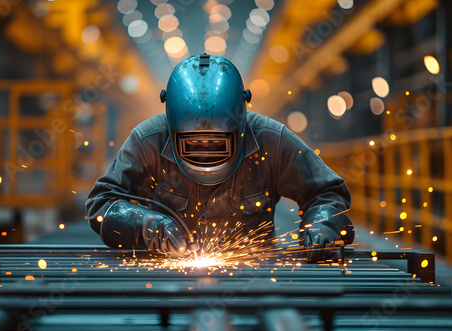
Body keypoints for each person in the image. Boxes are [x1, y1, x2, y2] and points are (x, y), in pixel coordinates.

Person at [85, 53, 354, 260]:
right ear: (172, 125)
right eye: (194, 143)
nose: (204, 151)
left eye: (215, 143)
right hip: (164, 276)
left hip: (257, 274)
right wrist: (146, 225)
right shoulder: (147, 142)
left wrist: (323, 224)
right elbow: (101, 204)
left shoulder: (272, 140)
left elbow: (326, 192)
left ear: (239, 124)